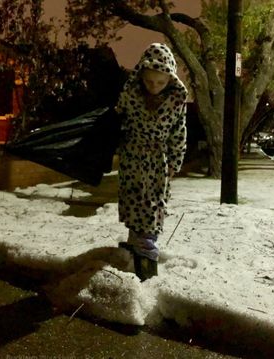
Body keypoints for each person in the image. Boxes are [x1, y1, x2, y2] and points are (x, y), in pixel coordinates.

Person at [115, 43, 188, 281]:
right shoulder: (130, 94)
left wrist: (175, 163)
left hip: (157, 163)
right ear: (140, 76)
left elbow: (179, 133)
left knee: (152, 208)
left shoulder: (177, 100)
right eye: (149, 82)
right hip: (132, 159)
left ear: (170, 79)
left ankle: (147, 257)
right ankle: (135, 243)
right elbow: (119, 122)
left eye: (160, 82)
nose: (154, 87)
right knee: (133, 202)